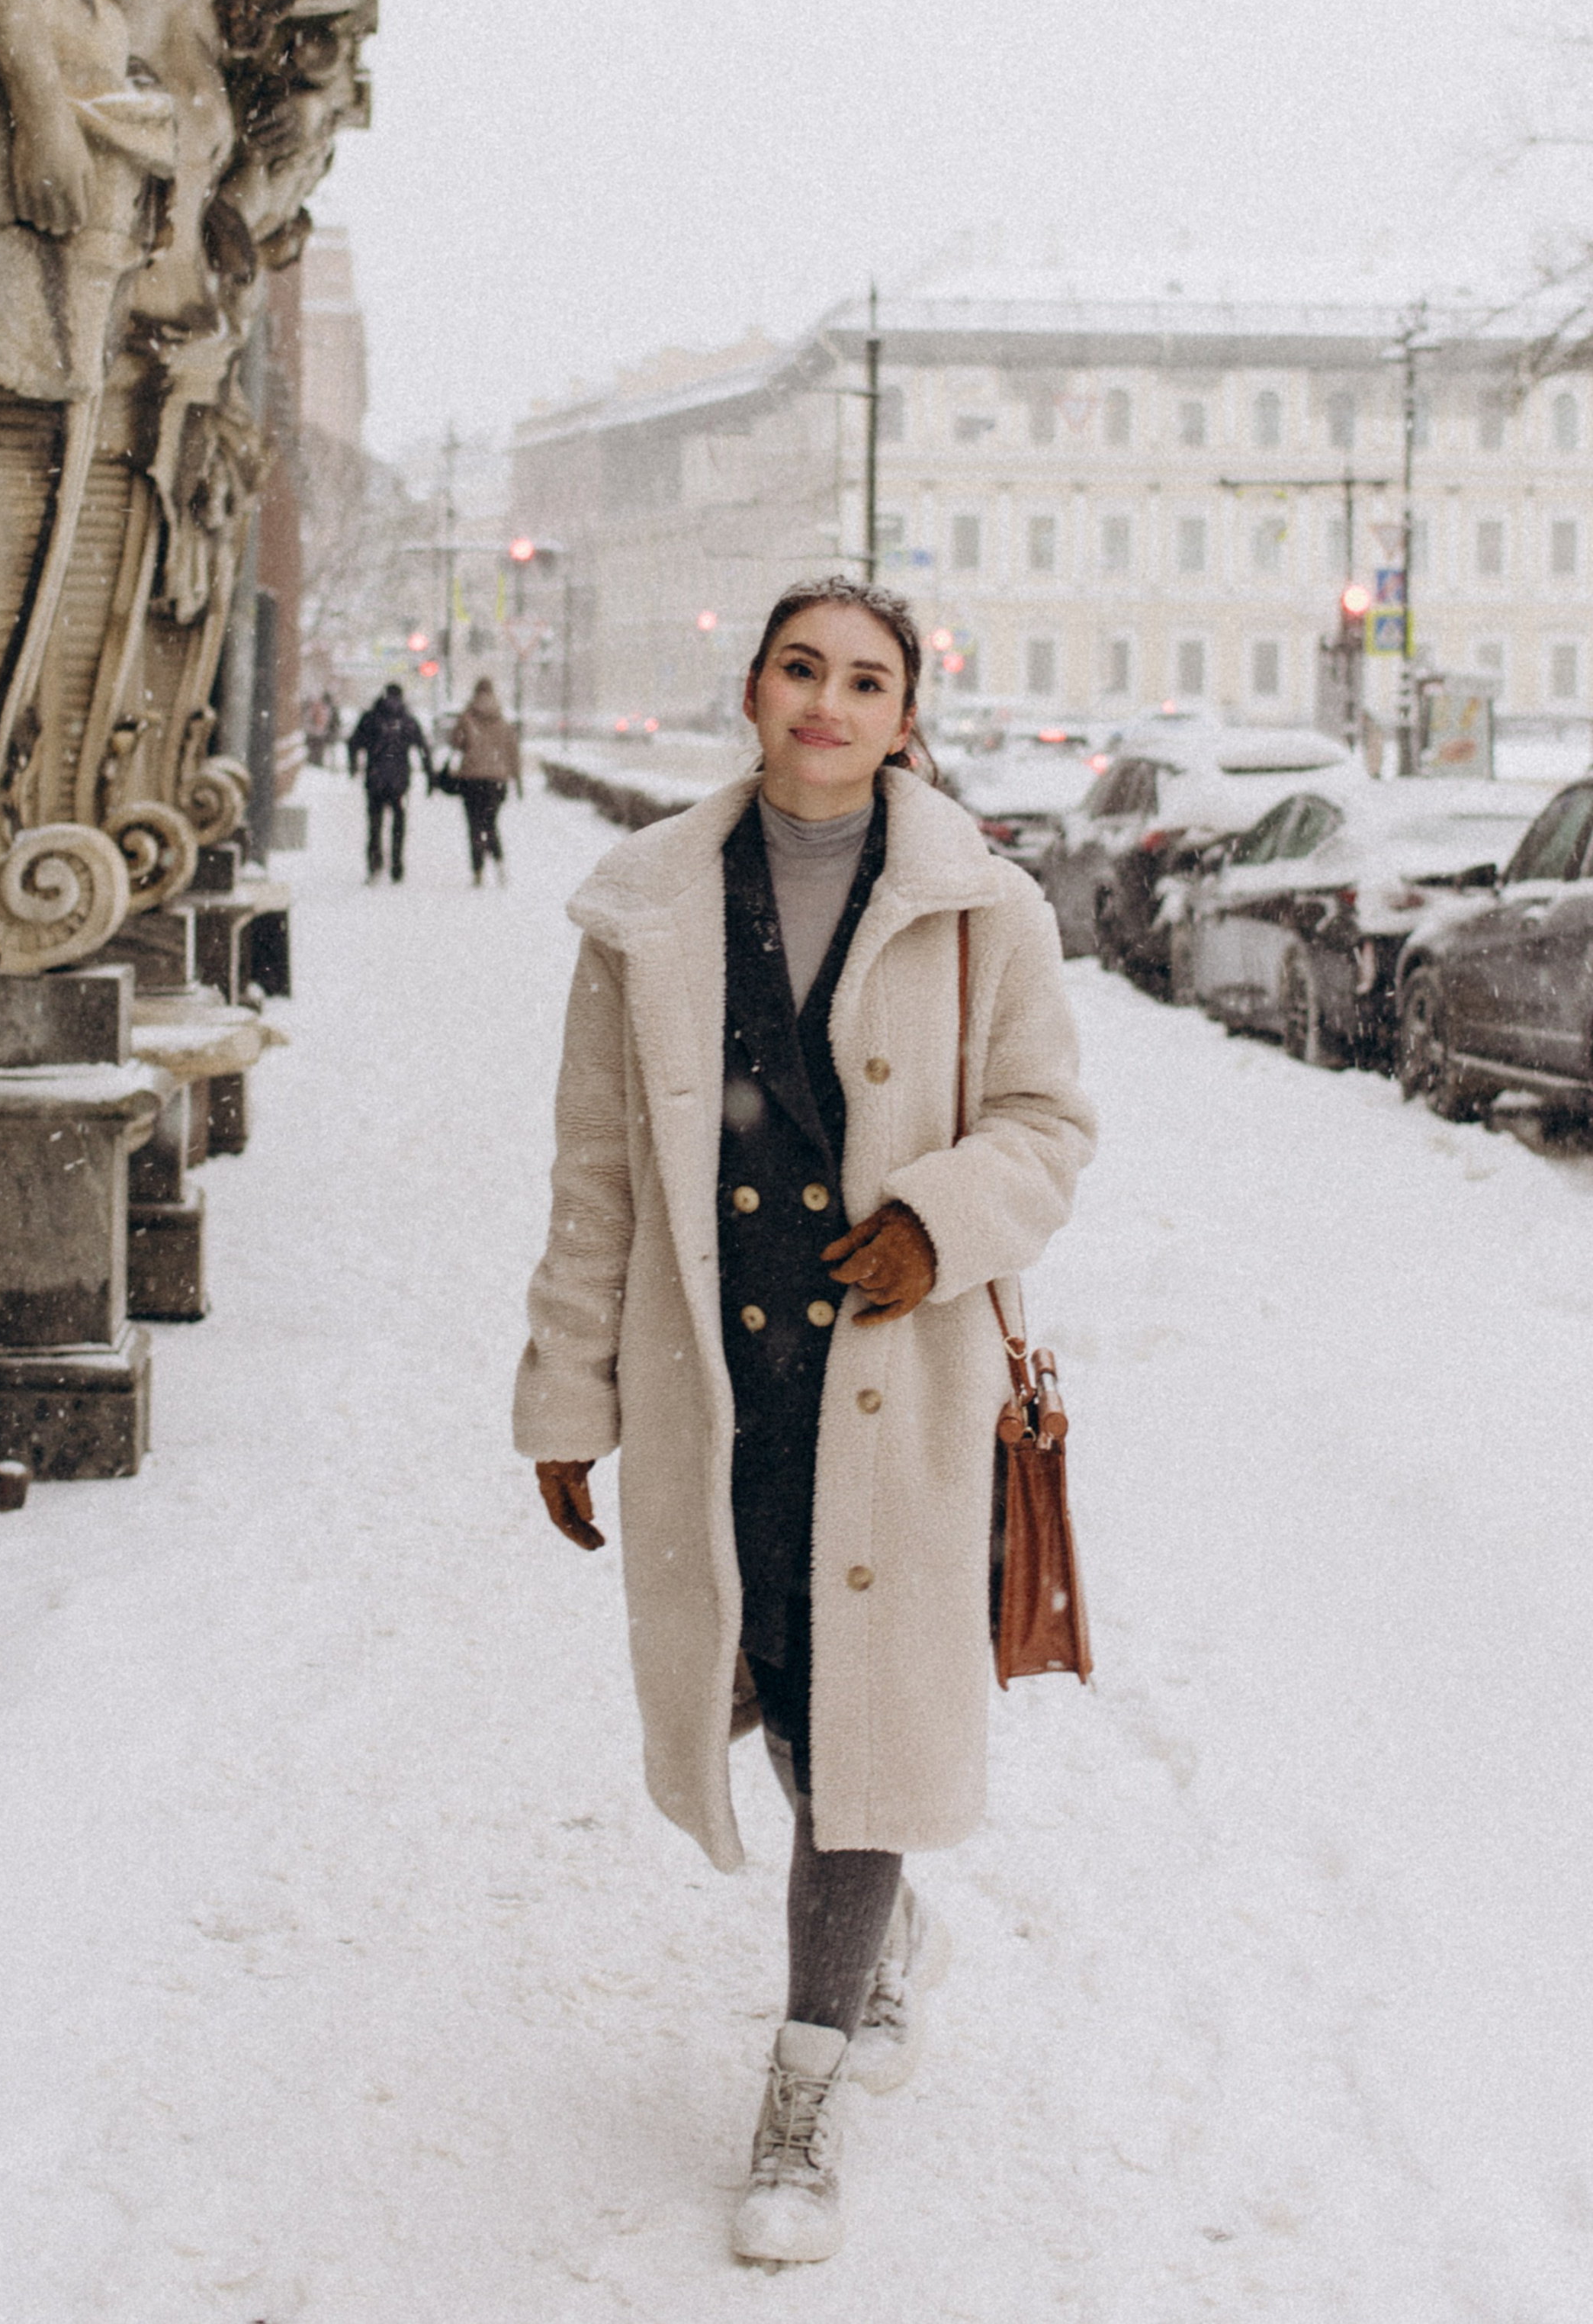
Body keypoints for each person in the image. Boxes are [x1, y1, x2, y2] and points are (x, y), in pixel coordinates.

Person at [514, 577, 1095, 2266]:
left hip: (897, 1389)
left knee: (856, 1736)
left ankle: (801, 2087)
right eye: (799, 669)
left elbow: (1048, 1122)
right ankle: (883, 1922)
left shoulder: (983, 906)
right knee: (770, 1676)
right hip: (721, 1382)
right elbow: (597, 1175)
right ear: (754, 693)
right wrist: (566, 1395)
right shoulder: (643, 906)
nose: (828, 702)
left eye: (865, 678)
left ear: (906, 713)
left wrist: (940, 1212)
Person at [347, 682, 429, 881]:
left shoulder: (371, 718)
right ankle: (397, 865)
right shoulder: (407, 720)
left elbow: (353, 742)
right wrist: (430, 776)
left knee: (375, 824)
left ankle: (375, 864)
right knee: (399, 824)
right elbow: (423, 747)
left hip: (375, 779)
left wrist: (354, 767)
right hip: (400, 781)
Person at [447, 677, 522, 886]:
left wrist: (464, 722)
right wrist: (517, 780)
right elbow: (512, 752)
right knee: (490, 824)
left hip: (471, 779)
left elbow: (456, 742)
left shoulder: (468, 717)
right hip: (496, 780)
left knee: (474, 826)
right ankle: (499, 863)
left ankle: (478, 870)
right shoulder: (502, 719)